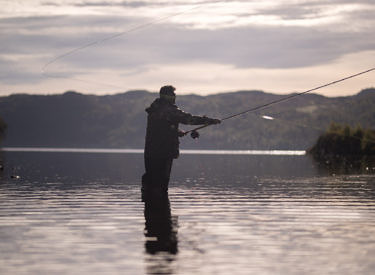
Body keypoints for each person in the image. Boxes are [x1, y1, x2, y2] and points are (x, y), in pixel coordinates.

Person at [142, 85, 220, 194]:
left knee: (150, 183)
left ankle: (150, 206)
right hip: (164, 152)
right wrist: (209, 121)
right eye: (173, 94)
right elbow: (189, 119)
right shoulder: (169, 109)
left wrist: (177, 132)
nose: (174, 97)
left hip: (150, 152)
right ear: (167, 96)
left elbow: (161, 127)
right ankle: (160, 208)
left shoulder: (154, 109)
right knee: (161, 185)